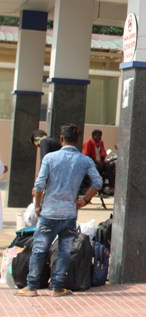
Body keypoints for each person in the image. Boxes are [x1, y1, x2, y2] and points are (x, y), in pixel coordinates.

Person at [16, 123, 102, 297]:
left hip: (49, 213)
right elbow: (98, 183)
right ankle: (57, 287)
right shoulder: (85, 160)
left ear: (61, 139)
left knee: (39, 249)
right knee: (64, 251)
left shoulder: (50, 158)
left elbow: (39, 184)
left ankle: (32, 287)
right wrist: (84, 200)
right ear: (77, 140)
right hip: (69, 214)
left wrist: (38, 205)